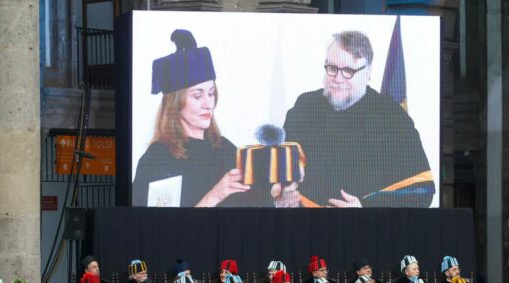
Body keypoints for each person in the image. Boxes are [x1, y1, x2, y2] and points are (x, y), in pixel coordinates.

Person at [282, 30, 434, 208]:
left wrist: (363, 209)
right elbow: (282, 173)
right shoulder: (304, 107)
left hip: (365, 231)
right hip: (306, 227)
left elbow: (421, 191)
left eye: (348, 70)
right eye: (331, 68)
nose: (337, 79)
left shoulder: (393, 118)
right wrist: (282, 195)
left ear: (368, 73)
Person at [133, 29, 250, 207]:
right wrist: (215, 196)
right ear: (176, 102)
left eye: (211, 94)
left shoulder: (225, 149)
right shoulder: (157, 159)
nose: (208, 104)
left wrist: (279, 195)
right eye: (197, 96)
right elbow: (158, 230)